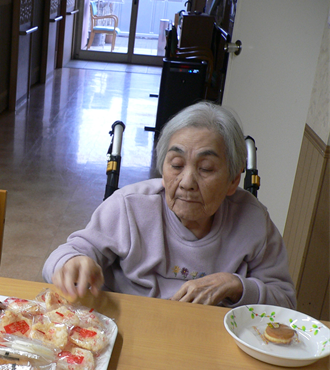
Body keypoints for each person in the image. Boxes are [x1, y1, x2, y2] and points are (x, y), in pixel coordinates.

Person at [43, 102, 296, 308]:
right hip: (128, 332)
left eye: (205, 168)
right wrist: (71, 263)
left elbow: (285, 302)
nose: (186, 182)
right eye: (176, 164)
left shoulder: (253, 220)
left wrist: (237, 285)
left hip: (210, 343)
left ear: (233, 180)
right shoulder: (130, 207)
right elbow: (66, 254)